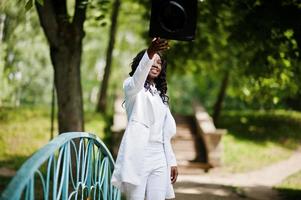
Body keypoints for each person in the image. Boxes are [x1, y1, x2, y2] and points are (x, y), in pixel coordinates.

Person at [111, 38, 178, 200]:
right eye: (152, 61)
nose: (156, 64)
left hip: (160, 156)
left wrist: (171, 160)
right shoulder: (132, 88)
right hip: (140, 154)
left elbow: (165, 132)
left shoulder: (161, 97)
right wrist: (151, 51)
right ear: (142, 63)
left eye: (159, 62)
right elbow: (138, 78)